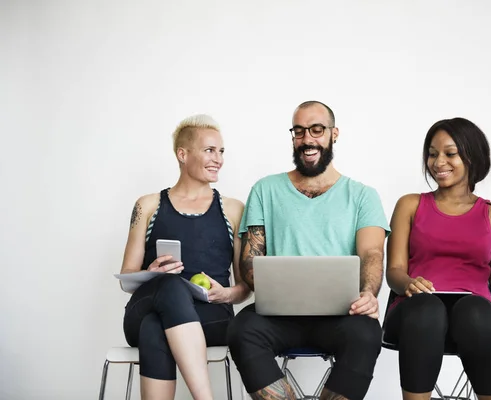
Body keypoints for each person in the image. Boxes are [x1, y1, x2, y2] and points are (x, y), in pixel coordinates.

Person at [226, 101, 390, 400]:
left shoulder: (363, 196)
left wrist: (368, 293)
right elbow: (251, 258)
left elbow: (372, 254)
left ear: (334, 133)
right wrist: (261, 280)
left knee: (366, 333)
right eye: (299, 132)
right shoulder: (265, 189)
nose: (307, 139)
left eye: (316, 130)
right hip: (278, 316)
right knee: (241, 330)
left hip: (341, 315)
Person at [383, 117, 491, 400]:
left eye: (450, 153)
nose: (438, 162)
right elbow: (394, 271)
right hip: (415, 315)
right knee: (428, 308)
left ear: (472, 157)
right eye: (432, 153)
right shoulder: (410, 205)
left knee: (473, 310)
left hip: (476, 321)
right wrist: (409, 283)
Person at [118, 114, 250, 400]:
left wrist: (225, 295)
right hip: (146, 306)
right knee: (172, 284)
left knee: (154, 328)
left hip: (211, 316)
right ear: (183, 154)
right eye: (209, 150)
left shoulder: (233, 209)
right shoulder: (148, 205)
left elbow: (244, 287)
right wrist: (151, 271)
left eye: (221, 151)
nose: (218, 159)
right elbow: (126, 277)